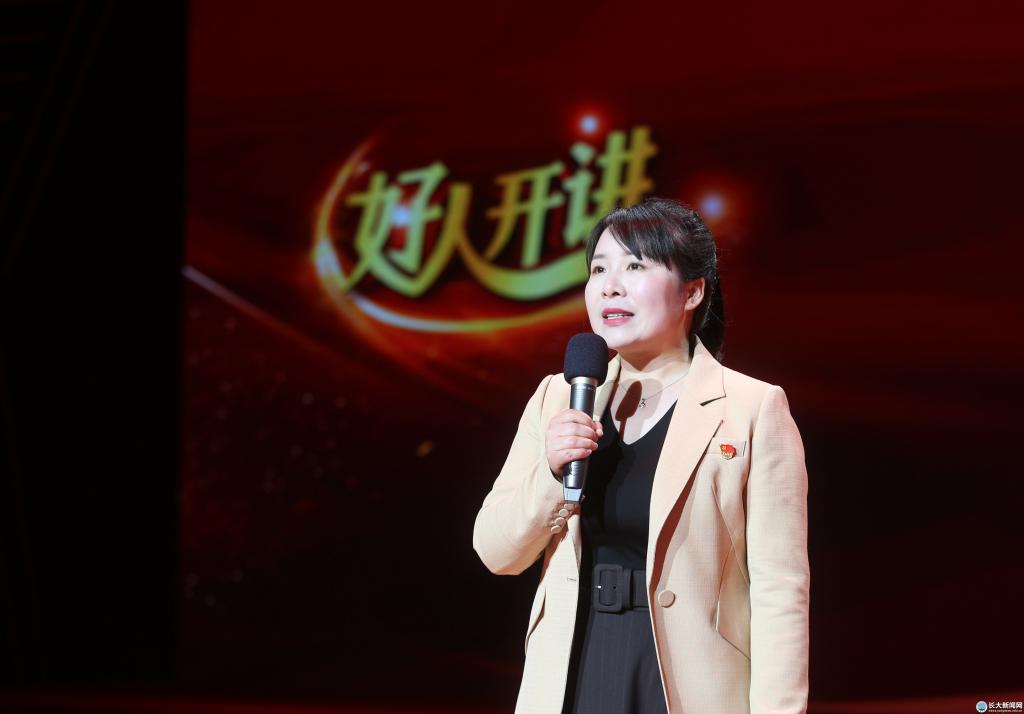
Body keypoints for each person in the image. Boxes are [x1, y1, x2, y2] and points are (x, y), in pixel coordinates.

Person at [472, 198, 809, 713]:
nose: (610, 286)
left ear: (692, 291)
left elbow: (779, 588)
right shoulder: (558, 397)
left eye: (635, 267)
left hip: (689, 684)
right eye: (599, 269)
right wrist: (551, 473)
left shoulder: (752, 407)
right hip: (575, 668)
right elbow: (497, 552)